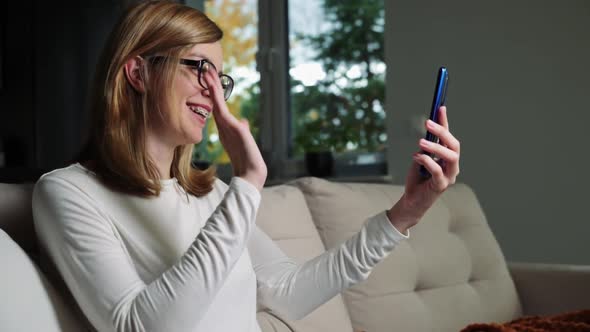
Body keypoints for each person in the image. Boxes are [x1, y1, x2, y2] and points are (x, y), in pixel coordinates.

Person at [32, 1, 461, 331]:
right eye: (200, 68)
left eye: (219, 76)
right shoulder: (69, 192)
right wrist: (248, 183)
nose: (213, 91)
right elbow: (141, 326)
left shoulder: (212, 195)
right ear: (138, 73)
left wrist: (407, 212)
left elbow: (289, 294)